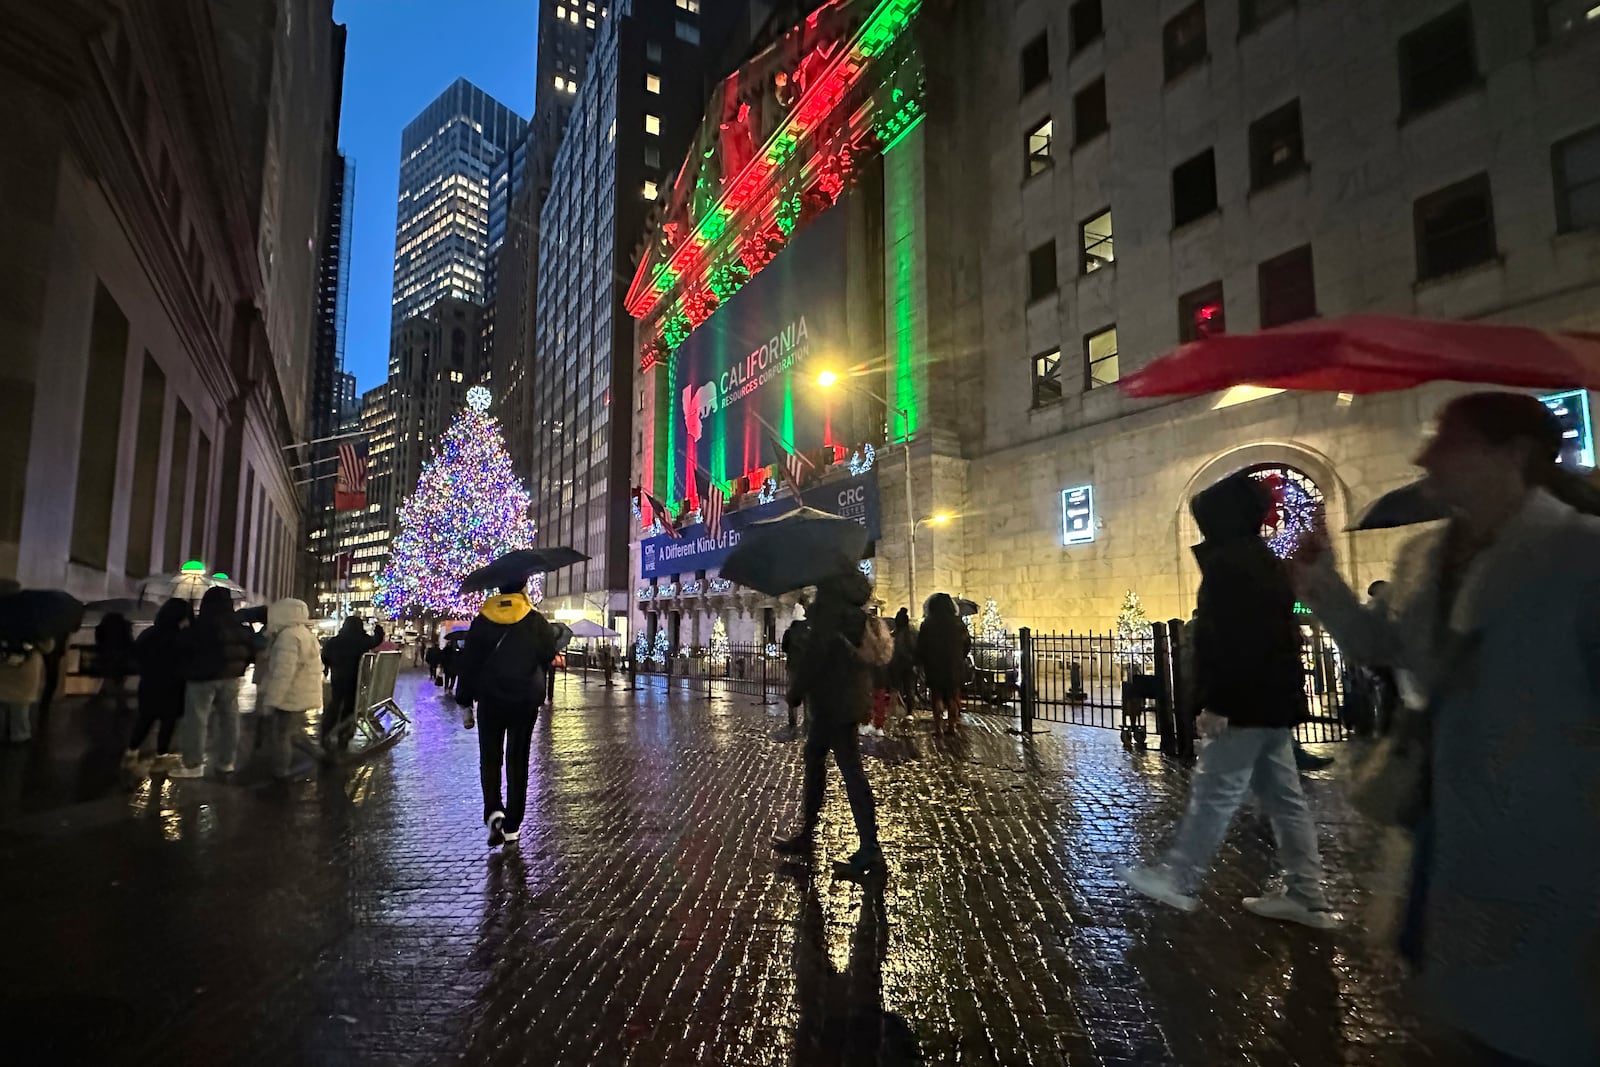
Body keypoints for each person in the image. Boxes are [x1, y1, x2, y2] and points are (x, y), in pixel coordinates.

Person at [1297, 392, 1600, 1067]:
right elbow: (1382, 645)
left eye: (1449, 440)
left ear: (1512, 454)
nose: (1423, 454)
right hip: (1449, 821)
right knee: (1467, 1006)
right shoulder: (1422, 555)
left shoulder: (1582, 551)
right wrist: (1322, 579)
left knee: (1544, 1020)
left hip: (1559, 834)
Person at [1117, 472, 1340, 930]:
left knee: (1215, 793)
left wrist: (1218, 701)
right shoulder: (1261, 560)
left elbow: (1234, 641)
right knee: (1284, 798)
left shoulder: (1230, 566)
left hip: (1246, 701)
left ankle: (1179, 879)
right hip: (1270, 700)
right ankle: (1308, 895)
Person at [772, 569, 887, 879]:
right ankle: (810, 834)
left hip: (831, 703)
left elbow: (815, 658)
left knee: (844, 769)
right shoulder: (855, 614)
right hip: (847, 701)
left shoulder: (829, 614)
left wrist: (796, 692)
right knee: (820, 761)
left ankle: (868, 849)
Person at [454, 577, 558, 848]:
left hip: (490, 699)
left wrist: (464, 699)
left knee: (490, 758)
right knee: (517, 759)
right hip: (524, 700)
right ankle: (512, 824)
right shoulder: (533, 619)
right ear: (523, 587)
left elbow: (469, 663)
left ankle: (494, 811)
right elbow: (548, 652)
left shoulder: (483, 619)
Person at [173, 587, 255, 778]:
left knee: (197, 720)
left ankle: (193, 765)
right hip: (231, 678)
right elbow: (250, 651)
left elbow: (182, 648)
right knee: (230, 719)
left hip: (201, 678)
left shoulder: (198, 626)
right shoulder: (239, 627)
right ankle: (227, 762)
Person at [253, 598, 323, 780]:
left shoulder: (288, 637)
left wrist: (271, 701)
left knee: (282, 735)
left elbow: (283, 674)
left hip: (290, 696)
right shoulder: (304, 634)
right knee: (293, 732)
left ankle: (280, 772)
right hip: (300, 694)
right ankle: (319, 756)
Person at [124, 598, 191, 769]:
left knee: (145, 718)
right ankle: (161, 755)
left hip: (149, 683)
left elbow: (136, 655)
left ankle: (131, 752)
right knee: (168, 722)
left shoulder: (149, 633)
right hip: (173, 685)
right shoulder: (181, 637)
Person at [321, 616, 383, 751]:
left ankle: (326, 730)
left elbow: (325, 655)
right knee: (350, 705)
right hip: (355, 677)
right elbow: (376, 640)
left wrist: (329, 666)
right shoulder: (361, 640)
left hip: (338, 677)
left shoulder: (334, 641)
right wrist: (378, 628)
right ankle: (344, 731)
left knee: (336, 702)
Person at [916, 593, 971, 734]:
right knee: (952, 696)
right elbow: (967, 644)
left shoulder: (927, 624)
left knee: (937, 695)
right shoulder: (959, 624)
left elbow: (921, 645)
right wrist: (960, 656)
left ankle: (938, 727)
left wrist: (922, 661)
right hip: (953, 663)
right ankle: (952, 726)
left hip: (934, 664)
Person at [0, 636, 51, 744]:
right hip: (26, 670)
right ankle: (19, 745)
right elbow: (48, 647)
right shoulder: (35, 623)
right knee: (20, 714)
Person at [93, 611, 135, 707]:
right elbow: (130, 645)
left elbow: (99, 645)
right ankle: (120, 702)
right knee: (118, 670)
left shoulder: (101, 631)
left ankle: (102, 695)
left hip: (105, 662)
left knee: (113, 669)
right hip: (122, 663)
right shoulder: (124, 630)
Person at [781, 608, 810, 730]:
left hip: (793, 666)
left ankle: (792, 721)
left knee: (793, 693)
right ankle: (808, 720)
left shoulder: (789, 632)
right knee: (807, 695)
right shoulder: (810, 631)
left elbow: (784, 648)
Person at [887, 607, 917, 719]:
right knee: (910, 689)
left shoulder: (894, 634)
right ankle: (909, 712)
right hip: (910, 665)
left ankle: (895, 710)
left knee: (895, 688)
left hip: (896, 665)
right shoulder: (912, 633)